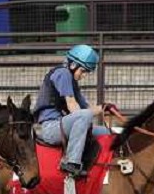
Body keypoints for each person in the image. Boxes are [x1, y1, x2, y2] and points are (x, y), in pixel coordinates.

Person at [33, 44, 112, 177]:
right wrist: (86, 117)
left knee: (106, 132)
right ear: (73, 64)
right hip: (50, 129)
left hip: (64, 126)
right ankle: (71, 163)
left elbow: (86, 109)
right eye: (83, 71)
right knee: (84, 116)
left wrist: (104, 107)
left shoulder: (72, 82)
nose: (84, 75)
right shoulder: (62, 73)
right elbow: (72, 105)